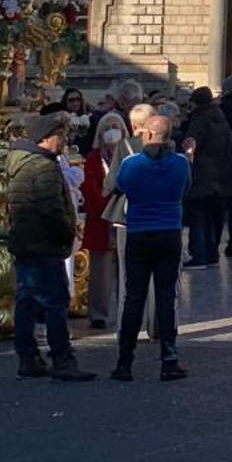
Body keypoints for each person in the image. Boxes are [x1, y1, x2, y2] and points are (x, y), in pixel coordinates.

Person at [7, 111, 94, 383]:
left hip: (26, 241)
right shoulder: (42, 167)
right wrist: (68, 231)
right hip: (44, 243)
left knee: (27, 302)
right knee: (55, 303)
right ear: (46, 138)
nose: (63, 140)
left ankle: (28, 356)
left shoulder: (21, 162)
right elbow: (51, 209)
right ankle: (62, 359)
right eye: (60, 135)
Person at [110, 112, 190, 383]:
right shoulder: (180, 163)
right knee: (167, 296)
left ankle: (125, 361)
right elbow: (185, 188)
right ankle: (169, 358)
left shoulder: (132, 163)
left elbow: (119, 186)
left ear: (147, 134)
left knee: (134, 296)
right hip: (169, 231)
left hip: (139, 231)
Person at [179, 87, 232, 268]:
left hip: (202, 175)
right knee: (213, 217)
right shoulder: (220, 118)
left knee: (198, 216)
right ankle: (212, 253)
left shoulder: (200, 119)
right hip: (222, 177)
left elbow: (191, 145)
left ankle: (199, 255)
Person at [81, 111, 125, 330]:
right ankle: (99, 313)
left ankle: (126, 309)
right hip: (101, 218)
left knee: (125, 269)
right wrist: (106, 203)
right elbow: (89, 187)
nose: (111, 132)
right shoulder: (93, 157)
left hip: (125, 217)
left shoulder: (129, 155)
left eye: (115, 127)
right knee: (101, 271)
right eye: (107, 128)